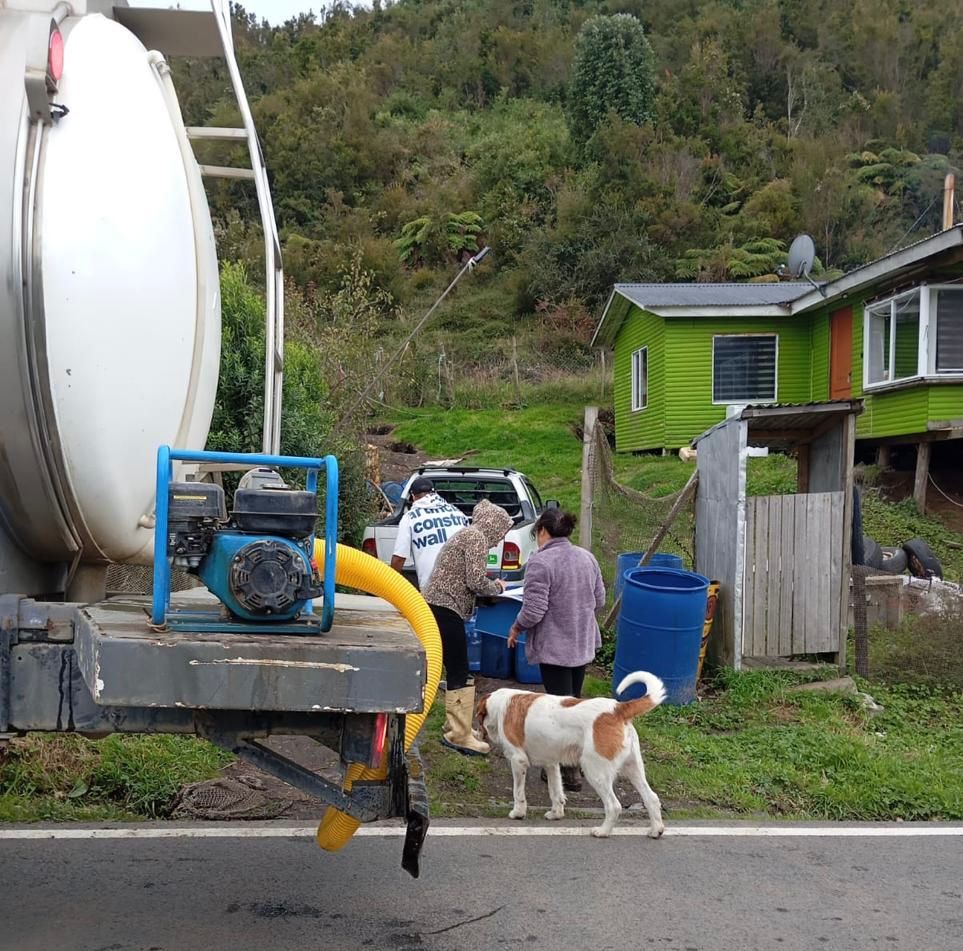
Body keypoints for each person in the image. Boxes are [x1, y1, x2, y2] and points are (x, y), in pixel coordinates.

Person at [507, 508, 605, 790]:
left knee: (560, 710)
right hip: (582, 642)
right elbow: (599, 600)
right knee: (574, 702)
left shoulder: (541, 561)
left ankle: (567, 769)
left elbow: (535, 610)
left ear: (542, 532)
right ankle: (576, 764)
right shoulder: (587, 557)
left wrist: (516, 627)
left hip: (555, 646)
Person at [421, 498, 514, 756]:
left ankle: (456, 726)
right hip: (444, 606)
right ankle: (458, 734)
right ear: (493, 526)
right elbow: (475, 580)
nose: (498, 540)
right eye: (501, 533)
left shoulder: (468, 534)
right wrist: (498, 588)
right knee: (459, 669)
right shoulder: (476, 538)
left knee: (455, 667)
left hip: (438, 604)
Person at [391, 477, 469, 588]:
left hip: (433, 591)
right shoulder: (458, 513)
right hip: (461, 589)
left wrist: (390, 583)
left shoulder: (410, 518)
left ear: (413, 497)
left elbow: (399, 559)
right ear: (434, 493)